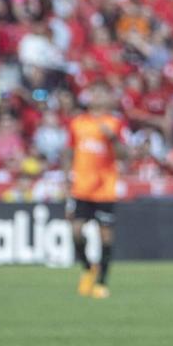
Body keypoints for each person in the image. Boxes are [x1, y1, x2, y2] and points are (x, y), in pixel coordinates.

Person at [66, 83, 127, 299]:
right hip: (81, 188)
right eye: (95, 92)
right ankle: (87, 268)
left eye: (103, 92)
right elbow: (70, 152)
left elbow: (123, 156)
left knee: (105, 235)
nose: (98, 96)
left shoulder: (115, 123)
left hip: (104, 188)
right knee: (75, 231)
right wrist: (67, 180)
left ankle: (102, 282)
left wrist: (112, 138)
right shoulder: (77, 123)